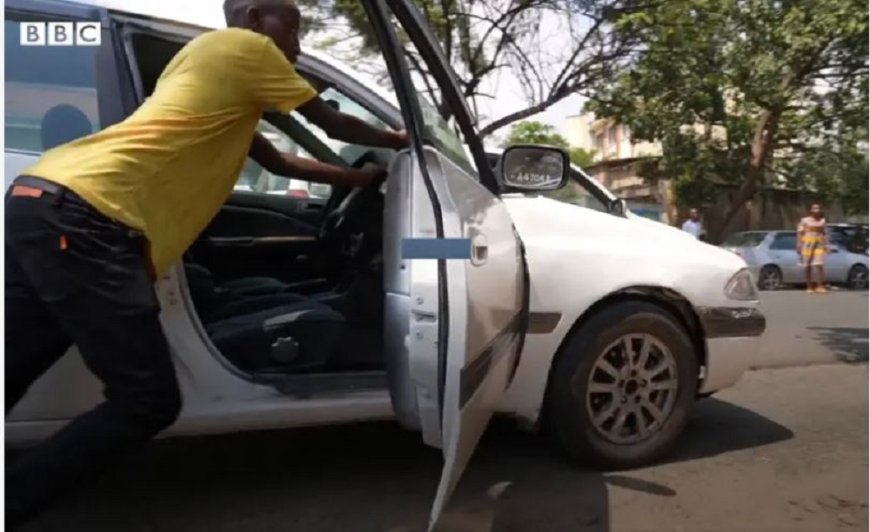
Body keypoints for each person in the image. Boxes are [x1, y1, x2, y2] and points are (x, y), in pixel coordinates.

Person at [4, 0, 407, 527]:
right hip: (93, 216)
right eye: (294, 26)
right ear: (257, 16)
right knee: (146, 401)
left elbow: (279, 160)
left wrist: (364, 181)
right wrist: (403, 140)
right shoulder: (247, 47)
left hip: (42, 199)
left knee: (17, 361)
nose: (298, 43)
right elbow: (330, 121)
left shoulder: (207, 62)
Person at [797, 203, 828, 294]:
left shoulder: (822, 221)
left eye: (818, 208)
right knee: (807, 265)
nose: (817, 210)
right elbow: (799, 232)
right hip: (807, 244)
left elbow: (825, 233)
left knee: (819, 264)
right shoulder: (805, 220)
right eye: (814, 208)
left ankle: (820, 286)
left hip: (819, 244)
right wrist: (798, 244)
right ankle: (809, 286)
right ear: (811, 210)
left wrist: (827, 245)